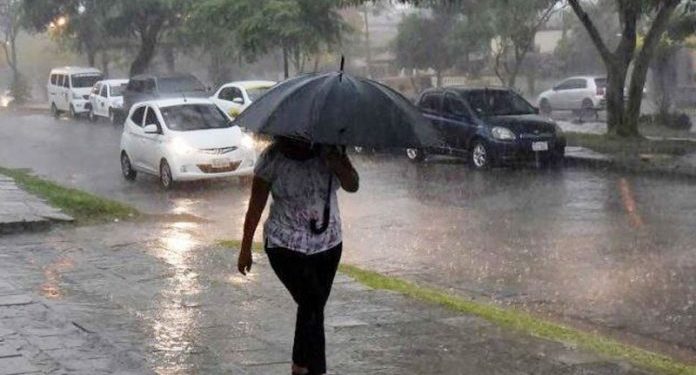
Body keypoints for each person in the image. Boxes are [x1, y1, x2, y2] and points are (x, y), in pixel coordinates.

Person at [237, 136, 359, 375]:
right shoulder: (272, 158)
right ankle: (304, 367)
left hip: (328, 244)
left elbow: (353, 185)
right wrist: (245, 247)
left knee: (314, 307)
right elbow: (255, 206)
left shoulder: (330, 150)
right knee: (311, 300)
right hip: (285, 246)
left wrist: (337, 161)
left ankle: (308, 368)